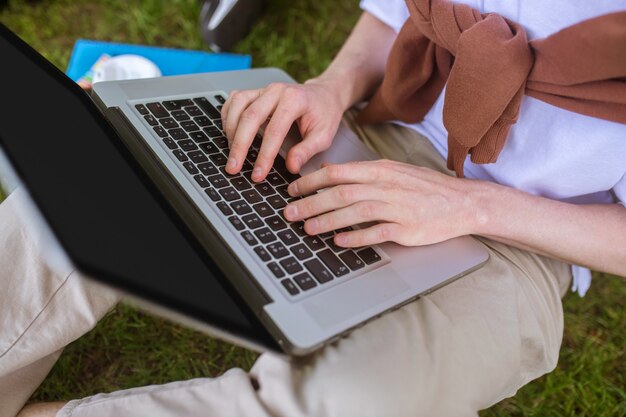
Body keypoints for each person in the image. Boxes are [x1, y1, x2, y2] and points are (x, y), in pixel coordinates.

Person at [2, 0, 625, 416]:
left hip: (523, 237)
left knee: (353, 400)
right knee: (93, 184)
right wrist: (329, 87)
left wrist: (471, 204)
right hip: (369, 128)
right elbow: (394, 12)